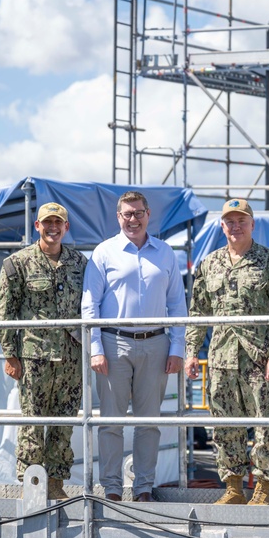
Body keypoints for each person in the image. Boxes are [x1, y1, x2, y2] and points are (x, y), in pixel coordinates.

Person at [184, 199, 269, 506]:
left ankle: (263, 488)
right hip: (222, 360)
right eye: (229, 222)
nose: (235, 227)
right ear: (222, 226)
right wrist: (191, 352)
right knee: (225, 426)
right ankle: (233, 487)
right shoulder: (209, 265)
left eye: (241, 221)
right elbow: (197, 312)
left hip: (260, 361)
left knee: (265, 426)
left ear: (252, 224)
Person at [82, 190, 186, 502]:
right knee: (111, 423)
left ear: (148, 215)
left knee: (148, 423)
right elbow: (90, 305)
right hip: (114, 344)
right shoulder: (103, 253)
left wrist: (178, 347)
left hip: (156, 344)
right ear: (118, 217)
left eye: (138, 212)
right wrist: (95, 347)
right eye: (127, 213)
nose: (133, 219)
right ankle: (112, 488)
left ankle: (143, 488)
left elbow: (177, 305)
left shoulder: (165, 253)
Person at [0, 202, 88, 501]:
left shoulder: (80, 263)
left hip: (71, 358)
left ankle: (56, 483)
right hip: (34, 358)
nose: (53, 228)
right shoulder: (17, 263)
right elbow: (4, 312)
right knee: (33, 422)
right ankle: (32, 483)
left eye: (58, 223)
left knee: (64, 423)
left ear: (66, 228)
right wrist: (10, 354)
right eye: (47, 223)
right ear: (37, 226)